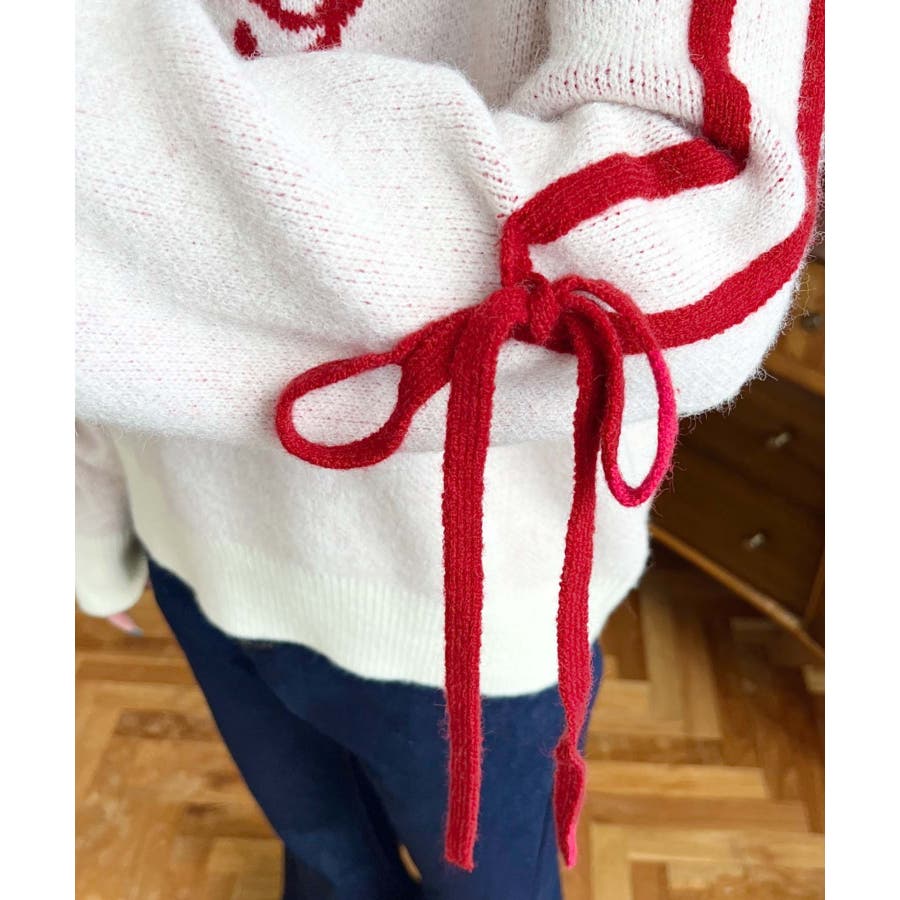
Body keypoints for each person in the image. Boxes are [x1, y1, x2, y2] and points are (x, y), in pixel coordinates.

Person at [75, 1, 824, 897]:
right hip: (193, 552)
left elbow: (702, 231)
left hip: (466, 633)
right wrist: (89, 522)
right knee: (321, 860)